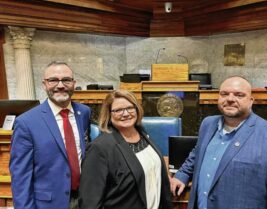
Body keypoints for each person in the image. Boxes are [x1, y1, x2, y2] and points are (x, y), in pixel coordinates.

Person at [170, 76, 267, 209]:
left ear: (251, 101)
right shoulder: (208, 124)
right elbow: (198, 152)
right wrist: (182, 174)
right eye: (224, 94)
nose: (230, 99)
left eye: (239, 95)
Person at [9, 61, 91, 209]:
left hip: (85, 199)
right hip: (49, 204)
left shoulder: (84, 112)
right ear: (44, 84)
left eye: (66, 80)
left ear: (74, 83)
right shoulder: (26, 122)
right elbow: (20, 177)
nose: (60, 85)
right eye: (53, 80)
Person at [79, 89, 172, 209]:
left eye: (130, 108)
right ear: (109, 114)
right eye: (118, 110)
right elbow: (89, 202)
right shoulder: (99, 148)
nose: (126, 113)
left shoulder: (141, 133)